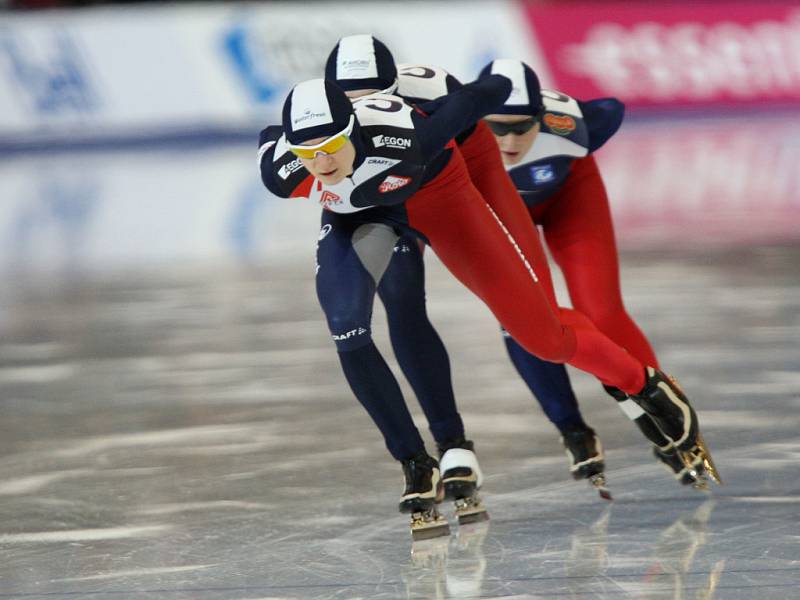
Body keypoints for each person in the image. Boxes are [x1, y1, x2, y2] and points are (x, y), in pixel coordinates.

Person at [257, 73, 711, 535]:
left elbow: (477, 98)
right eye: (307, 152)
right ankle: (415, 462)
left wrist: (494, 84)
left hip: (440, 198)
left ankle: (645, 384)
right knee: (346, 326)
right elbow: (269, 139)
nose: (322, 161)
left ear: (352, 128)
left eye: (331, 144)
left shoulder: (406, 137)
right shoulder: (283, 170)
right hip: (364, 217)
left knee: (543, 339)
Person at [323, 34, 610, 496]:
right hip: (386, 209)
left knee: (527, 309)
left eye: (376, 97)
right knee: (402, 303)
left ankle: (577, 422)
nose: (363, 108)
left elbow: (487, 98)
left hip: (452, 191)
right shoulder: (319, 117)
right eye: (350, 100)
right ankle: (454, 446)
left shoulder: (433, 94)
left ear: (396, 88)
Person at [479, 58, 716, 488]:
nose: (510, 139)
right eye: (497, 127)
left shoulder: (572, 124)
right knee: (527, 322)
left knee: (602, 313)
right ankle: (573, 430)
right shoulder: (454, 141)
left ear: (543, 117)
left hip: (569, 198)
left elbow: (613, 108)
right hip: (503, 217)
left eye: (522, 126)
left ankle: (660, 413)